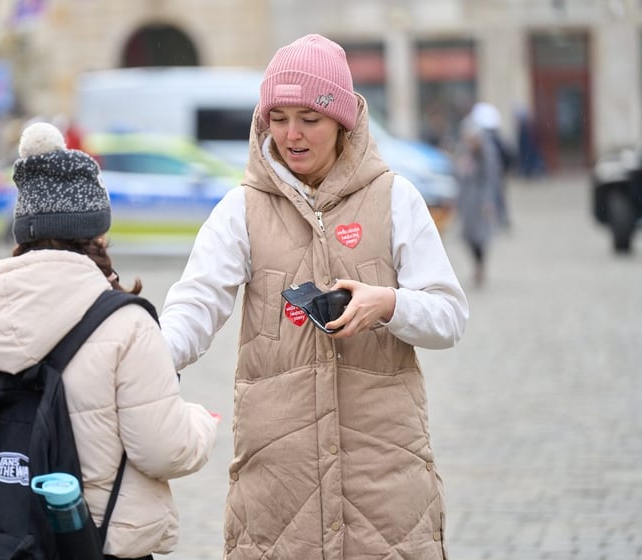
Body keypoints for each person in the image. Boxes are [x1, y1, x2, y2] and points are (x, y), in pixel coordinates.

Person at [160, 34, 468, 559]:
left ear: (343, 122)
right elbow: (196, 303)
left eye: (310, 118)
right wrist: (150, 359)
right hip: (280, 484)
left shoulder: (397, 198)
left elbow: (448, 316)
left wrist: (389, 304)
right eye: (278, 117)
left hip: (385, 479)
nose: (292, 135)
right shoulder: (240, 210)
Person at [0, 122, 218, 560]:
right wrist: (201, 422)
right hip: (91, 542)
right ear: (98, 233)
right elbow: (164, 449)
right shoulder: (125, 323)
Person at [454, 110, 503, 287]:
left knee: (481, 235)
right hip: (467, 198)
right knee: (466, 235)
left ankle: (480, 266)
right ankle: (476, 263)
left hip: (481, 198)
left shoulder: (487, 152)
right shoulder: (463, 149)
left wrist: (489, 201)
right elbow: (458, 173)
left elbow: (491, 178)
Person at [470, 101, 514, 230]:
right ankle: (501, 221)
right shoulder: (495, 136)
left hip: (491, 173)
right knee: (497, 197)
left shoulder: (485, 141)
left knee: (492, 198)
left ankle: (497, 222)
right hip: (496, 173)